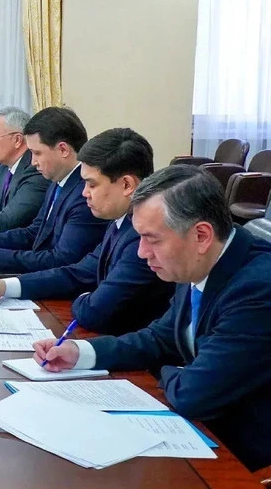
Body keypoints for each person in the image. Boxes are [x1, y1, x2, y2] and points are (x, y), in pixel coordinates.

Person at [34, 165, 271, 472]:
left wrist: (172, 372)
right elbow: (161, 337)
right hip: (204, 429)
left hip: (243, 457)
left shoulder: (257, 289)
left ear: (201, 235)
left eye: (152, 239)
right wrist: (81, 352)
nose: (142, 252)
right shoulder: (199, 260)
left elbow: (193, 394)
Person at [0, 128, 173, 334]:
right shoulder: (121, 222)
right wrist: (6, 286)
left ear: (126, 184)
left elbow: (93, 311)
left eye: (92, 185)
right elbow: (78, 273)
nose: (84, 193)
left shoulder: (142, 239)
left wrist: (84, 296)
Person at [0, 107, 108, 273]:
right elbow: (34, 233)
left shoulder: (84, 195)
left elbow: (61, 259)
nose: (33, 162)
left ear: (63, 149)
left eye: (37, 153)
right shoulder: (58, 180)